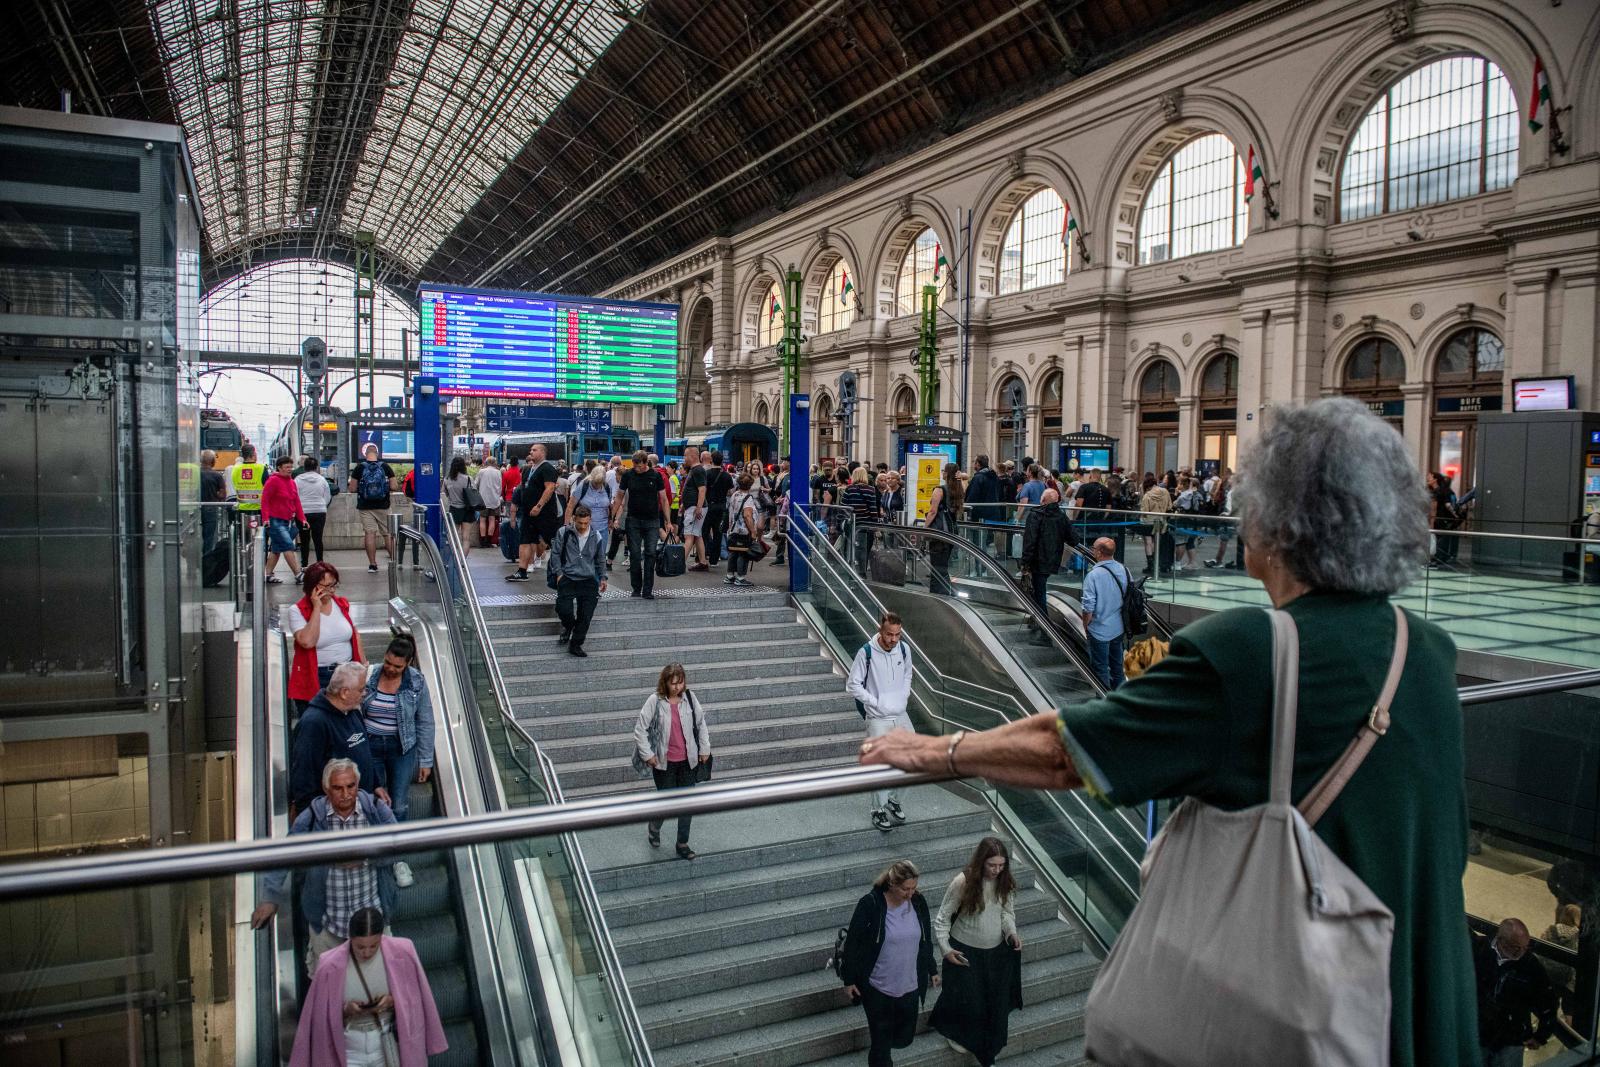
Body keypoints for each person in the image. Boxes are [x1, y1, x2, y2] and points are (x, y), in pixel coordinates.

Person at [861, 397, 1482, 1065]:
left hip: (1319, 1020)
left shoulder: (1254, 650)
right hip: (1425, 1014)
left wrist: (937, 748)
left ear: (1274, 526)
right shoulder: (1424, 652)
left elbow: (1071, 750)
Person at [252, 759, 397, 976]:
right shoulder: (312, 817)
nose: (346, 794)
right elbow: (284, 853)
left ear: (358, 784)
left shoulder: (375, 810)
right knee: (328, 986)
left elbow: (398, 846)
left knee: (381, 981)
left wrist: (365, 858)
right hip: (329, 925)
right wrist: (269, 898)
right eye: (338, 788)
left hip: (371, 921)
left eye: (351, 786)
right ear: (326, 788)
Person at [287, 905, 449, 1067]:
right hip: (350, 1046)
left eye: (373, 946)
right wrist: (345, 1011)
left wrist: (392, 1001)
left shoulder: (403, 951)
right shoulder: (329, 964)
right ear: (350, 938)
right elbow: (319, 1016)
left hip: (385, 1040)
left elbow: (418, 999)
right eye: (360, 947)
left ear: (381, 937)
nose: (367, 952)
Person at [929, 838, 1022, 1066]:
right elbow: (942, 918)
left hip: (995, 949)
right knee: (968, 998)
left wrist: (1011, 933)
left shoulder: (1005, 881)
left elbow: (1007, 913)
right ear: (981, 862)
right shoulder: (963, 882)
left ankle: (985, 1044)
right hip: (964, 947)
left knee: (991, 1000)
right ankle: (958, 1034)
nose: (996, 870)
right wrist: (946, 949)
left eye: (1001, 865)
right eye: (992, 865)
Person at [839, 860, 939, 1067]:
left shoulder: (918, 902)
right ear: (892, 884)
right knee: (881, 1044)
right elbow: (853, 943)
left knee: (903, 1038)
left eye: (914, 888)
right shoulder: (871, 903)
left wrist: (932, 968)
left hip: (909, 985)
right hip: (878, 987)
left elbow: (925, 939)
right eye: (905, 889)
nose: (910, 894)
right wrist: (849, 980)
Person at [632, 663, 711, 860]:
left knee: (687, 804)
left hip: (687, 762)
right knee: (665, 803)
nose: (677, 687)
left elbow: (701, 724)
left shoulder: (690, 698)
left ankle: (682, 843)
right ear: (665, 683)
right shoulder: (655, 700)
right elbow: (640, 729)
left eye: (680, 682)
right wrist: (648, 754)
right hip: (663, 763)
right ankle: (654, 826)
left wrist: (704, 749)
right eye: (673, 683)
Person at [289, 663, 388, 817]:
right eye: (361, 689)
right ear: (344, 692)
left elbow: (365, 751)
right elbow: (304, 775)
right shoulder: (314, 723)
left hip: (362, 805)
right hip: (334, 814)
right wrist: (310, 817)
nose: (365, 693)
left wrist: (375, 785)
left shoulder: (353, 711)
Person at [847, 613, 913, 832]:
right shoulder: (866, 653)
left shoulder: (903, 649)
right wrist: (875, 703)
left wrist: (903, 696)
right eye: (889, 634)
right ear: (880, 630)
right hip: (877, 717)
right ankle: (878, 810)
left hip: (901, 714)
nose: (893, 639)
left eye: (897, 634)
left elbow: (907, 674)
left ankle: (894, 800)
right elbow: (853, 685)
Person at [362, 635, 435, 829]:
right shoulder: (369, 675)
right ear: (385, 656)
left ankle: (396, 851)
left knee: (399, 804)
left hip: (402, 749)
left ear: (409, 663)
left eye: (398, 666)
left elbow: (425, 721)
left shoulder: (417, 681)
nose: (391, 669)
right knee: (371, 801)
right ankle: (374, 847)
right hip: (370, 746)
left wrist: (426, 760)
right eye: (388, 662)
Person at [284, 563, 363, 719]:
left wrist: (362, 667)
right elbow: (307, 641)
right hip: (319, 675)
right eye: (326, 586)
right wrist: (316, 608)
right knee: (318, 721)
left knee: (345, 721)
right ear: (313, 587)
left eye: (334, 585)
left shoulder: (341, 604)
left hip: (346, 671)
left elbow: (355, 635)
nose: (331, 591)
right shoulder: (297, 610)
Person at [1475, 918, 1558, 1065]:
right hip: (1479, 1034)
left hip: (1511, 1038)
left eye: (1525, 947)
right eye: (1516, 947)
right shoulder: (1479, 950)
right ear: (1501, 941)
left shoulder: (1530, 965)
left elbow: (1548, 1001)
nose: (1521, 952)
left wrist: (1541, 1035)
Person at [550, 503, 608, 656]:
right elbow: (555, 554)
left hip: (588, 579)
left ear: (590, 520)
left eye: (586, 523)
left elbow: (600, 558)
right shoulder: (564, 532)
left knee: (586, 615)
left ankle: (576, 644)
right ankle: (568, 626)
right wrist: (559, 573)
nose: (583, 526)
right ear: (574, 519)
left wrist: (603, 577)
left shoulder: (596, 536)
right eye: (580, 523)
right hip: (567, 577)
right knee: (564, 610)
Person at [1019, 488, 1075, 633]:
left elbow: (1030, 540)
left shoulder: (1035, 515)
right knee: (1039, 590)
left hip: (1036, 560)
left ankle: (1044, 627)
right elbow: (1074, 539)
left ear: (1042, 500)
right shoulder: (1061, 517)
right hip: (1052, 560)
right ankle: (1036, 620)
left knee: (1039, 593)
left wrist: (1025, 562)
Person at [617, 449, 672, 599]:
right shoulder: (628, 475)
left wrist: (668, 521)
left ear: (646, 463)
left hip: (652, 521)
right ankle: (636, 588)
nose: (637, 468)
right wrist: (613, 517)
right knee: (634, 555)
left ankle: (647, 590)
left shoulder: (655, 475)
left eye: (639, 466)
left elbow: (664, 499)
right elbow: (619, 496)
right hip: (633, 520)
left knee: (650, 554)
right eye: (635, 465)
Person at [1080, 537, 1129, 689]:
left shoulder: (1093, 575)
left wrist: (1086, 625)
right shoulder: (1124, 570)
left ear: (1100, 553)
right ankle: (1121, 701)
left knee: (1100, 669)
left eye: (1094, 548)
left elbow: (1088, 606)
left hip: (1099, 629)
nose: (1092, 550)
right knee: (1117, 668)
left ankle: (1103, 702)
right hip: (1118, 628)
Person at [507, 443, 560, 582]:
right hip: (528, 513)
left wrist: (539, 506)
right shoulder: (527, 470)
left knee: (552, 541)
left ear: (542, 453)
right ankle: (522, 571)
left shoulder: (547, 468)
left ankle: (564, 570)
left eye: (534, 450)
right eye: (530, 450)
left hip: (544, 513)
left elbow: (549, 488)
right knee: (525, 541)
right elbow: (524, 488)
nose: (531, 452)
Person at [348, 443, 396, 574]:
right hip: (383, 505)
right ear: (377, 454)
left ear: (365, 454)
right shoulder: (385, 467)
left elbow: (352, 489)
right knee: (387, 533)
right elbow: (394, 486)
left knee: (370, 534)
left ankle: (373, 565)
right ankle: (394, 561)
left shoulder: (359, 468)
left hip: (365, 506)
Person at [261, 454, 307, 584]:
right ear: (279, 468)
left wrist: (302, 518)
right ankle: (298, 574)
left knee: (276, 549)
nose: (290, 469)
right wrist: (265, 518)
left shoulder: (292, 482)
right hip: (275, 520)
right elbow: (265, 500)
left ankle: (267, 574)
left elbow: (296, 501)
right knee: (287, 545)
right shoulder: (273, 481)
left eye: (291, 466)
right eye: (287, 467)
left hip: (287, 520)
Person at [926, 463, 963, 595]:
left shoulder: (939, 490)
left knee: (936, 566)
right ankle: (945, 591)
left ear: (946, 473)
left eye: (943, 471)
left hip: (939, 532)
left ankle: (939, 593)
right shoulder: (958, 489)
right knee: (943, 565)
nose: (942, 472)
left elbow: (932, 511)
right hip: (952, 531)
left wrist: (925, 528)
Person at [567, 463, 617, 555]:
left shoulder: (606, 487)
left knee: (600, 556)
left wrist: (611, 519)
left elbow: (609, 506)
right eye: (595, 483)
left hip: (603, 528)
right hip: (584, 528)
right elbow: (570, 506)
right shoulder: (583, 485)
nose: (597, 485)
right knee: (585, 556)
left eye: (600, 483)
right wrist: (566, 526)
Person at [841, 467, 880, 574]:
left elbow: (843, 507)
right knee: (864, 550)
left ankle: (851, 571)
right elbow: (873, 509)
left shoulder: (849, 489)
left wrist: (840, 522)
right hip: (865, 525)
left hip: (851, 524)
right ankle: (861, 572)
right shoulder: (870, 490)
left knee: (851, 548)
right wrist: (875, 526)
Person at [295, 455, 332, 565]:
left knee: (304, 539)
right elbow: (327, 496)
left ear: (304, 467)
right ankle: (320, 562)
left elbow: (294, 496)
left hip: (303, 513)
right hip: (319, 511)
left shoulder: (297, 480)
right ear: (316, 467)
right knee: (318, 538)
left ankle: (304, 564)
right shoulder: (322, 479)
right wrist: (322, 505)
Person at [702, 450, 734, 565]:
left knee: (704, 531)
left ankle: (707, 552)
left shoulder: (707, 474)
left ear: (711, 460)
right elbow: (730, 492)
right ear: (722, 461)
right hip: (721, 507)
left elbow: (703, 490)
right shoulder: (726, 476)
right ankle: (714, 560)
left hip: (709, 506)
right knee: (718, 533)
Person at [1138, 473, 1173, 578]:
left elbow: (1144, 512)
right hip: (1162, 521)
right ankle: (1158, 563)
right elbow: (1170, 506)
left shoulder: (1147, 496)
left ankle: (1150, 565)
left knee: (1148, 542)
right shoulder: (1165, 492)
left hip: (1148, 522)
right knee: (1157, 542)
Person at [681, 452, 709, 570]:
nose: (684, 459)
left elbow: (702, 490)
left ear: (692, 457)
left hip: (695, 508)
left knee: (689, 536)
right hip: (693, 506)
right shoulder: (695, 470)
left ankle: (679, 564)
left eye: (685, 456)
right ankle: (702, 562)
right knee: (697, 535)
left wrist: (698, 507)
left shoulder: (697, 470)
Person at [443, 455, 476, 554]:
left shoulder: (447, 479)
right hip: (467, 510)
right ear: (463, 466)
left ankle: (452, 558)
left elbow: (445, 492)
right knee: (466, 538)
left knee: (452, 537)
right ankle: (462, 562)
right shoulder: (469, 479)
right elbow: (474, 492)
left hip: (454, 509)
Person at [230, 442, 267, 530]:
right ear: (254, 454)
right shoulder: (261, 468)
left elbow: (235, 483)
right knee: (260, 533)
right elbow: (267, 486)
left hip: (241, 508)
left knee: (243, 533)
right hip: (259, 508)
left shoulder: (235, 469)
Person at [200, 448, 227, 552]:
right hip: (211, 508)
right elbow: (222, 495)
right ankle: (206, 560)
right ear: (213, 461)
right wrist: (217, 494)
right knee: (209, 538)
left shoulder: (195, 473)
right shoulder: (217, 476)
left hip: (194, 508)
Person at [475, 454, 503, 546]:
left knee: (482, 520)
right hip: (495, 499)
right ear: (494, 463)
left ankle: (482, 541)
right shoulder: (498, 472)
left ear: (486, 462)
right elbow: (500, 486)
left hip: (483, 499)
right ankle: (489, 541)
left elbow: (476, 484)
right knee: (492, 519)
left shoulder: (481, 471)